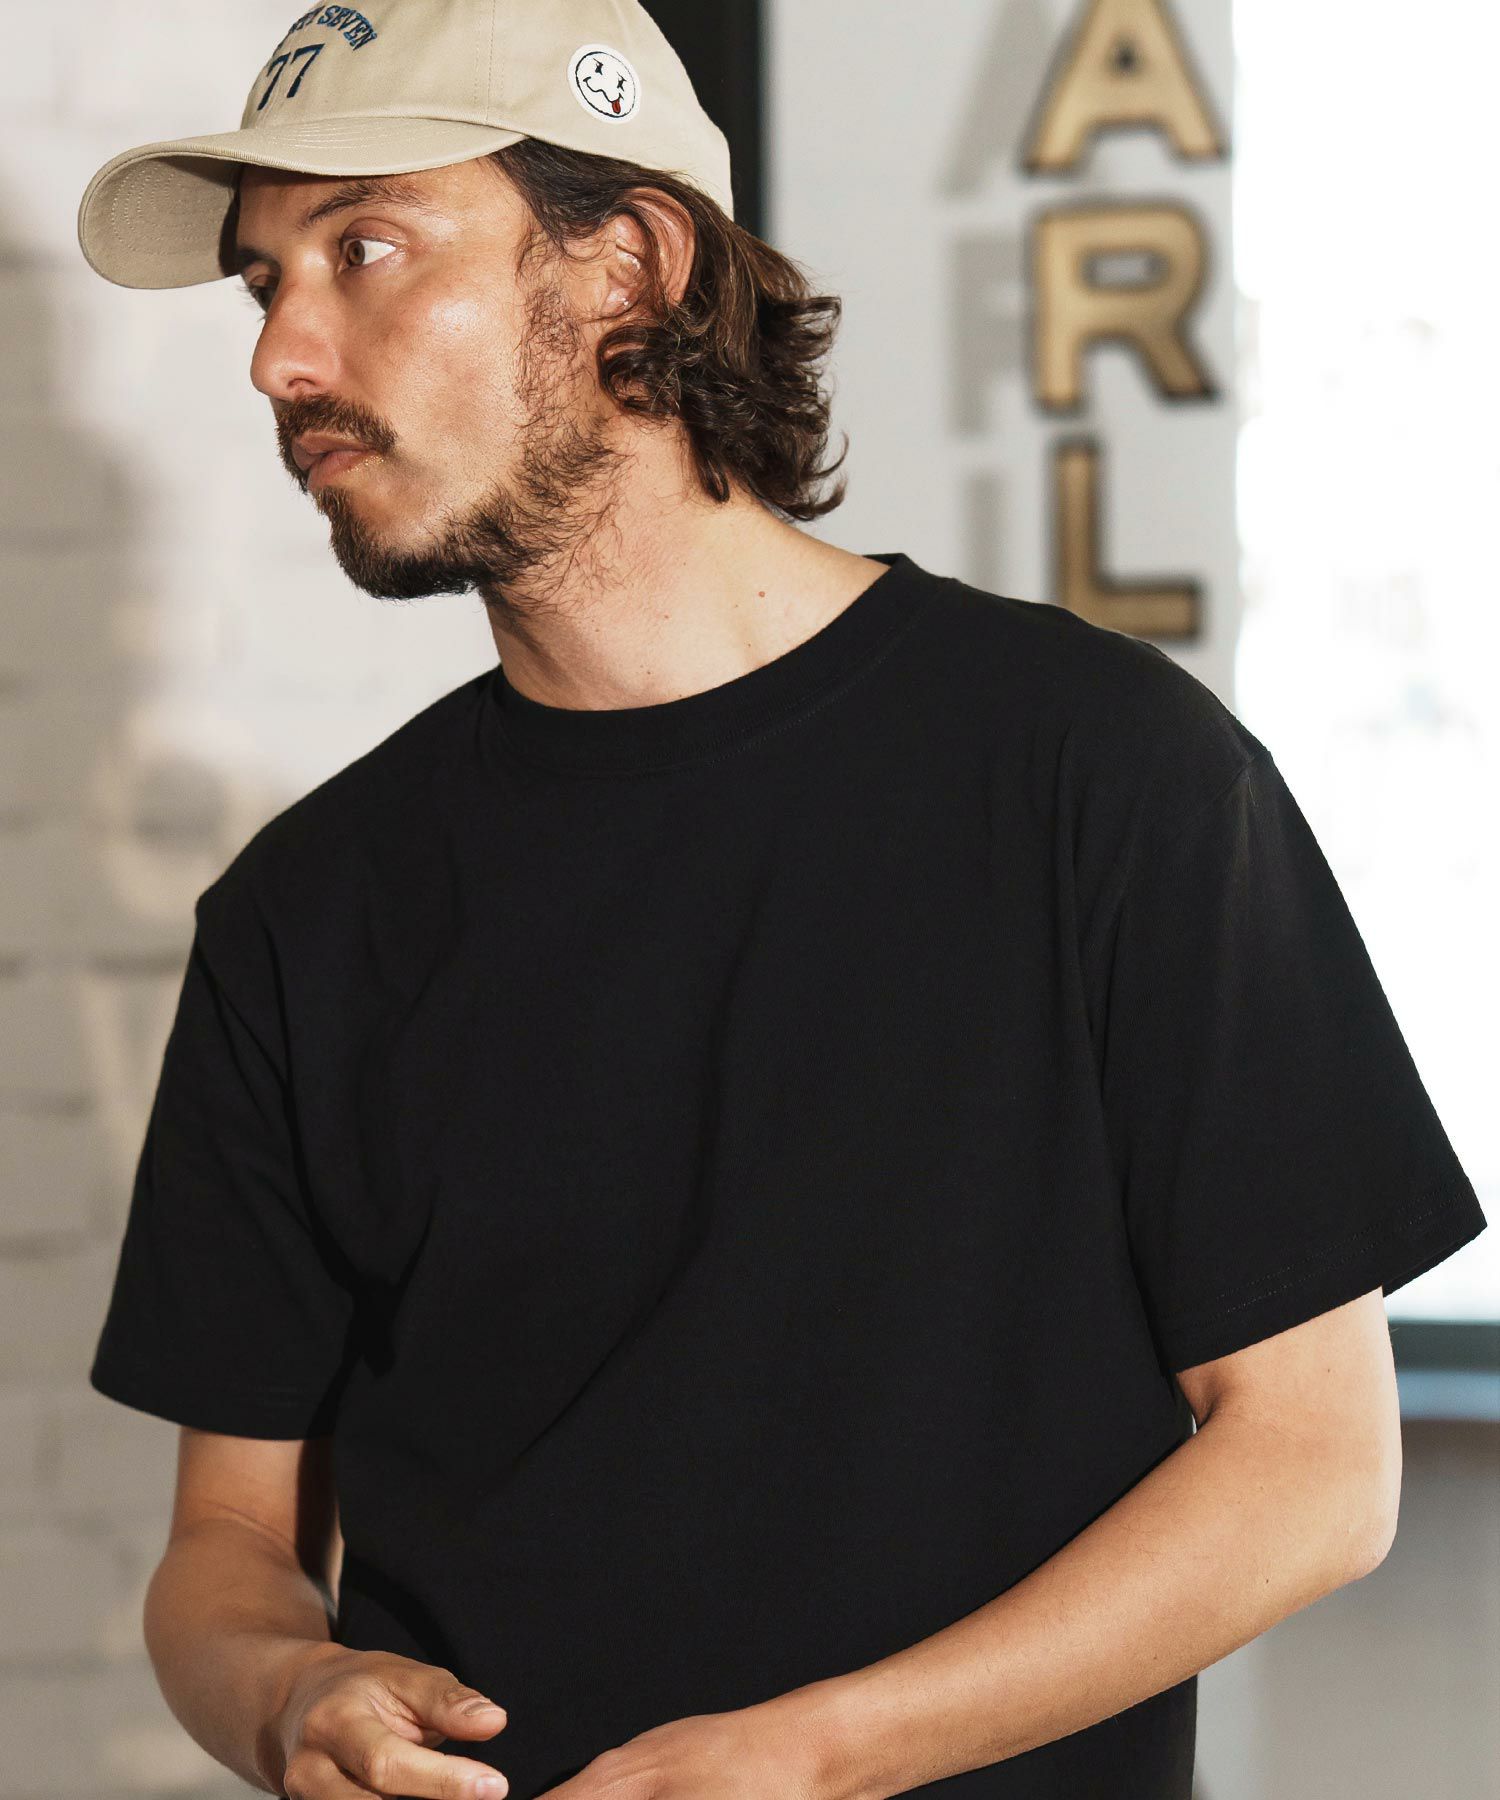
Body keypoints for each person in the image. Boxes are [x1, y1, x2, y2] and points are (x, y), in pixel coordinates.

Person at [77, 2, 1488, 1798]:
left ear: (630, 267)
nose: (282, 356)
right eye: (263, 283)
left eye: (365, 250)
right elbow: (225, 1549)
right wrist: (291, 1692)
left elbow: (1313, 1466)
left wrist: (815, 1759)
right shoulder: (306, 913)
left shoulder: (1103, 774)